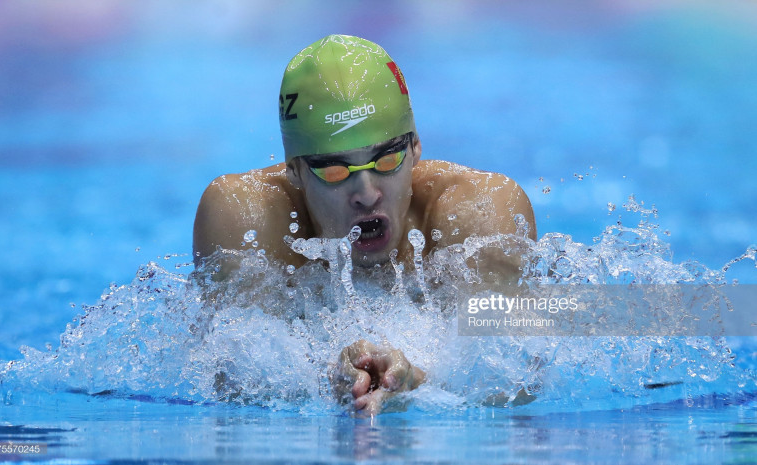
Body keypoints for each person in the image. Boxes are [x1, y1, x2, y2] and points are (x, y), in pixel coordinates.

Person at [193, 34, 537, 415]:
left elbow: (516, 379)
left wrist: (415, 380)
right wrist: (324, 380)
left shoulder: (478, 210)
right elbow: (233, 384)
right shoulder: (247, 216)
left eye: (387, 160)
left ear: (415, 146)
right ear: (295, 170)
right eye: (335, 170)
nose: (367, 193)